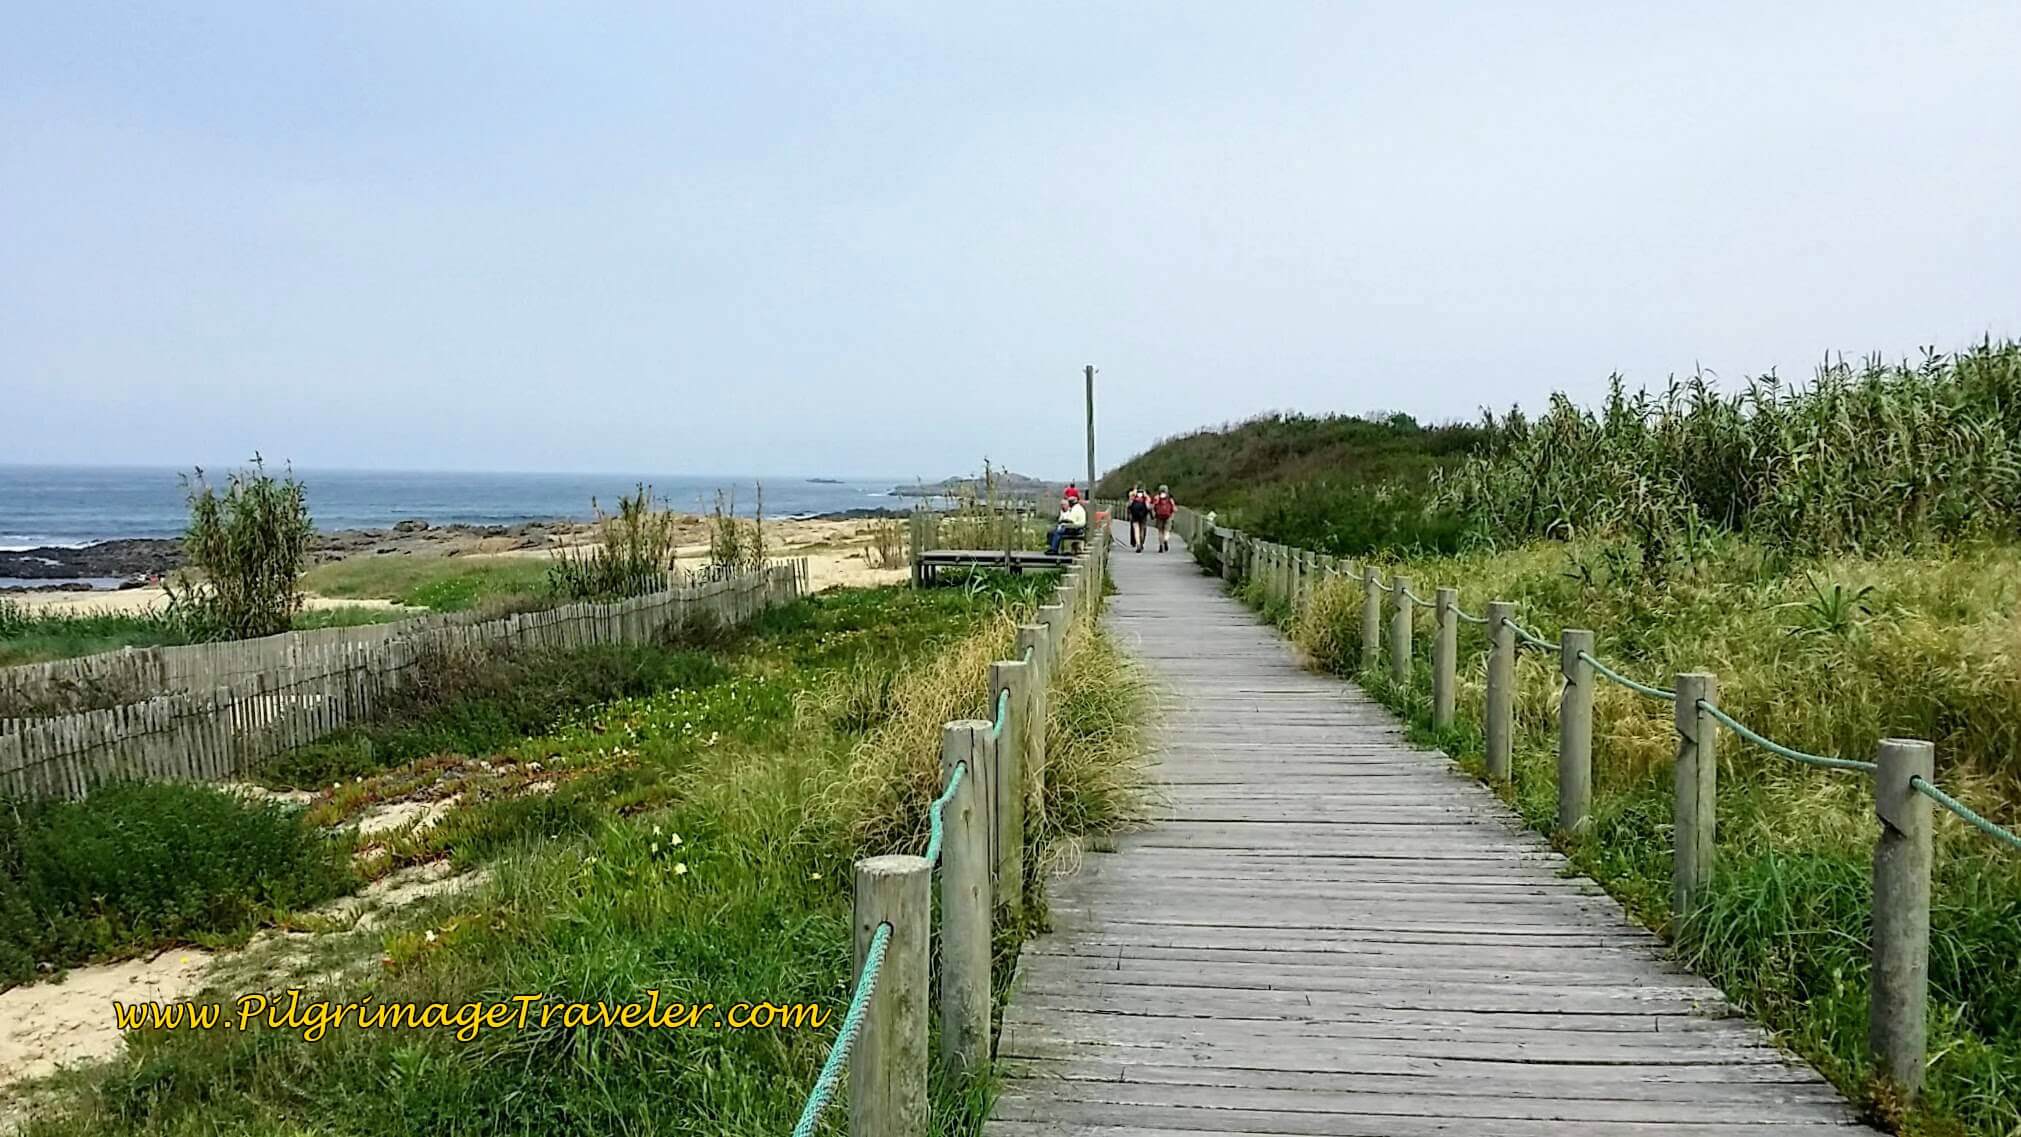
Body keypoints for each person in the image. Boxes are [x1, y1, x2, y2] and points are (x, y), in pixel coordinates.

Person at [1126, 484, 1151, 552]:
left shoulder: (1133, 495)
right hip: (1143, 515)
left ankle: (1138, 545)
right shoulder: (1145, 496)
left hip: (1134, 515)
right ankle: (1141, 542)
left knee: (1136, 530)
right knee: (1142, 529)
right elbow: (1148, 506)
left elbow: (1129, 505)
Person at [1152, 484, 1176, 552]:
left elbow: (1153, 506)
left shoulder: (1157, 497)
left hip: (1159, 516)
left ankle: (1161, 545)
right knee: (1167, 531)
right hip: (1168, 516)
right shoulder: (1169, 498)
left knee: (1160, 531)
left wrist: (1154, 514)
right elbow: (1174, 508)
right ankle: (1165, 540)